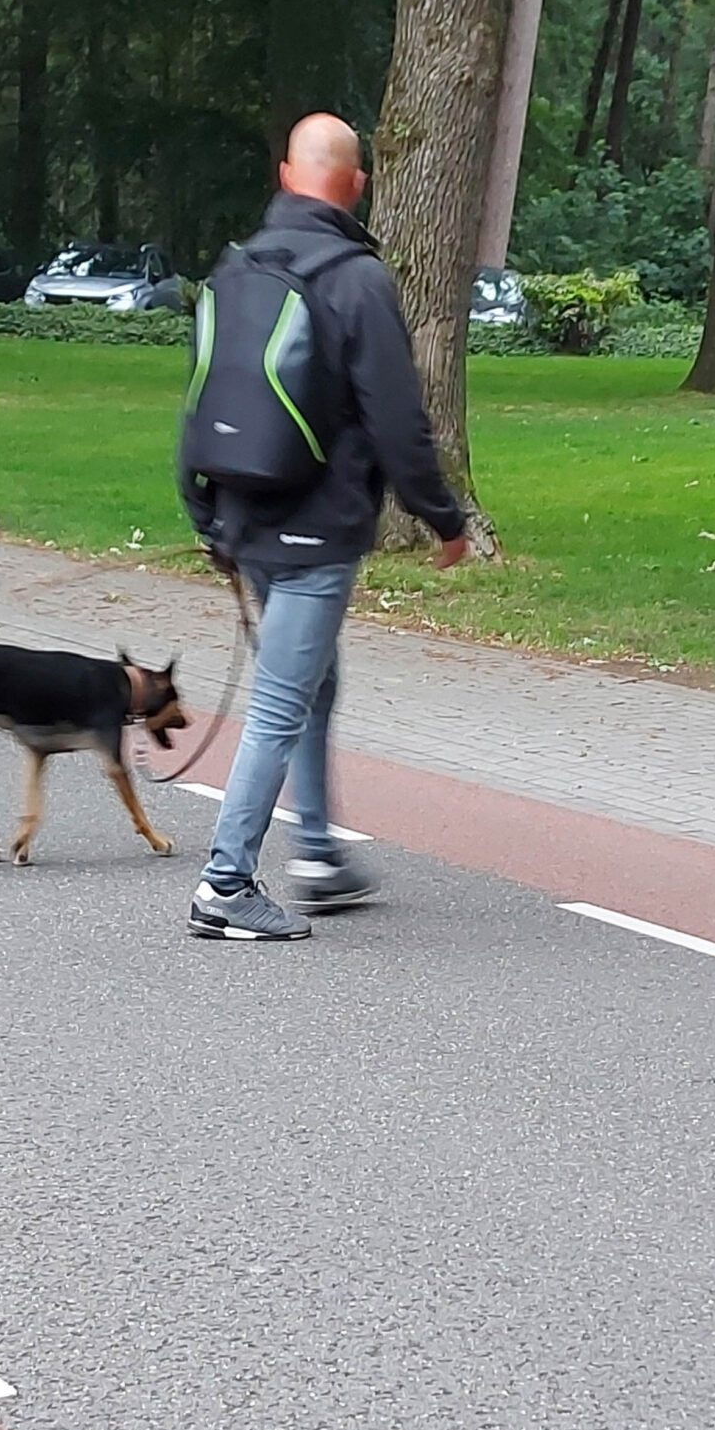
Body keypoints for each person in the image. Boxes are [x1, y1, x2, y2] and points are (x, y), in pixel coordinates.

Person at [178, 112, 468, 942]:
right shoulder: (358, 281)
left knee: (314, 681)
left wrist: (206, 515)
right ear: (357, 184)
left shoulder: (234, 270)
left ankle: (316, 852)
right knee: (281, 700)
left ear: (284, 175)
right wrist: (443, 519)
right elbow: (398, 423)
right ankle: (225, 885)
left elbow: (201, 398)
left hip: (245, 516)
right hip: (318, 527)